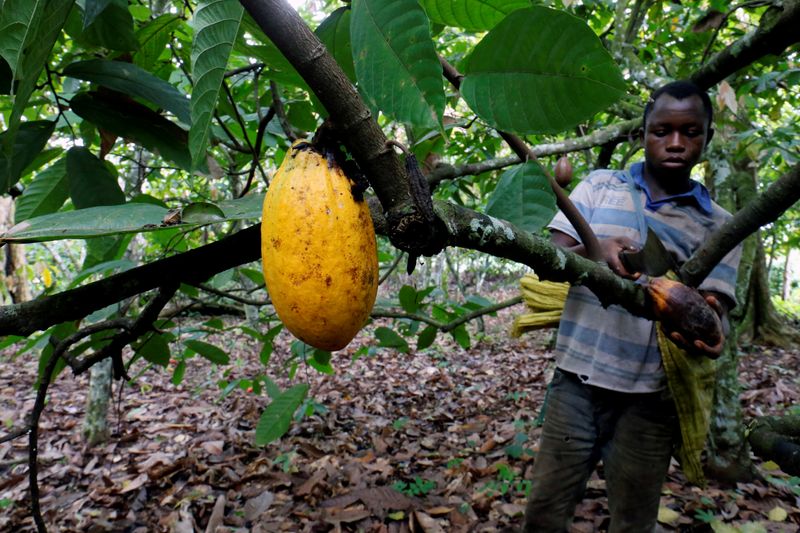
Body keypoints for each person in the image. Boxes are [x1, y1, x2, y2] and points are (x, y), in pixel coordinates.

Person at [522, 81, 742, 532]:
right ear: (642, 135)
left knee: (634, 521)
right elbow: (550, 260)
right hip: (576, 384)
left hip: (649, 400)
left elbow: (713, 310)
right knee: (544, 512)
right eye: (662, 130)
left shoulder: (718, 225)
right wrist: (597, 248)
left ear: (708, 136)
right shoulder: (601, 187)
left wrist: (709, 330)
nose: (676, 142)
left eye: (690, 131)